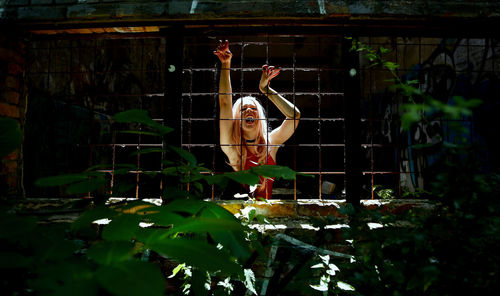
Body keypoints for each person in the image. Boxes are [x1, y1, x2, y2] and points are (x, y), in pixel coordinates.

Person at [214, 40, 300, 199]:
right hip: (240, 213)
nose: (248, 111)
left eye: (253, 109)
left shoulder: (271, 142)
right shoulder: (232, 149)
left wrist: (266, 90)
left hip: (268, 214)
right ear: (236, 119)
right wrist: (226, 65)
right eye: (243, 109)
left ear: (259, 117)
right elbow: (225, 102)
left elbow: (294, 116)